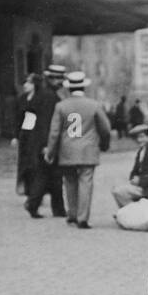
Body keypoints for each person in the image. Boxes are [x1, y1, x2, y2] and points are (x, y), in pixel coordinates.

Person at [45, 71, 112, 229]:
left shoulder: (61, 106)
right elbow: (106, 128)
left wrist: (50, 152)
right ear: (84, 87)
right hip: (88, 150)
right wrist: (104, 144)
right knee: (85, 183)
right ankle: (83, 218)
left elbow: (54, 132)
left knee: (69, 182)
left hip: (67, 150)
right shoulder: (94, 105)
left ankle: (72, 214)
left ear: (69, 88)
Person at [25, 64, 67, 218]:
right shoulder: (51, 97)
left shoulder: (43, 94)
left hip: (40, 141)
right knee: (48, 175)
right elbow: (47, 123)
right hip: (46, 142)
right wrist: (47, 146)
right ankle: (34, 203)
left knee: (51, 175)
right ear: (51, 79)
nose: (60, 82)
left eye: (60, 78)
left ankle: (55, 208)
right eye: (57, 78)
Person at [13, 73, 41, 196]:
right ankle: (24, 186)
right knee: (23, 161)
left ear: (35, 84)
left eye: (29, 83)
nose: (25, 85)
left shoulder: (41, 98)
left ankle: (35, 189)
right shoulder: (22, 98)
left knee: (34, 162)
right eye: (25, 82)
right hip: (24, 132)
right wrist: (15, 136)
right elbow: (17, 118)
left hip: (35, 133)